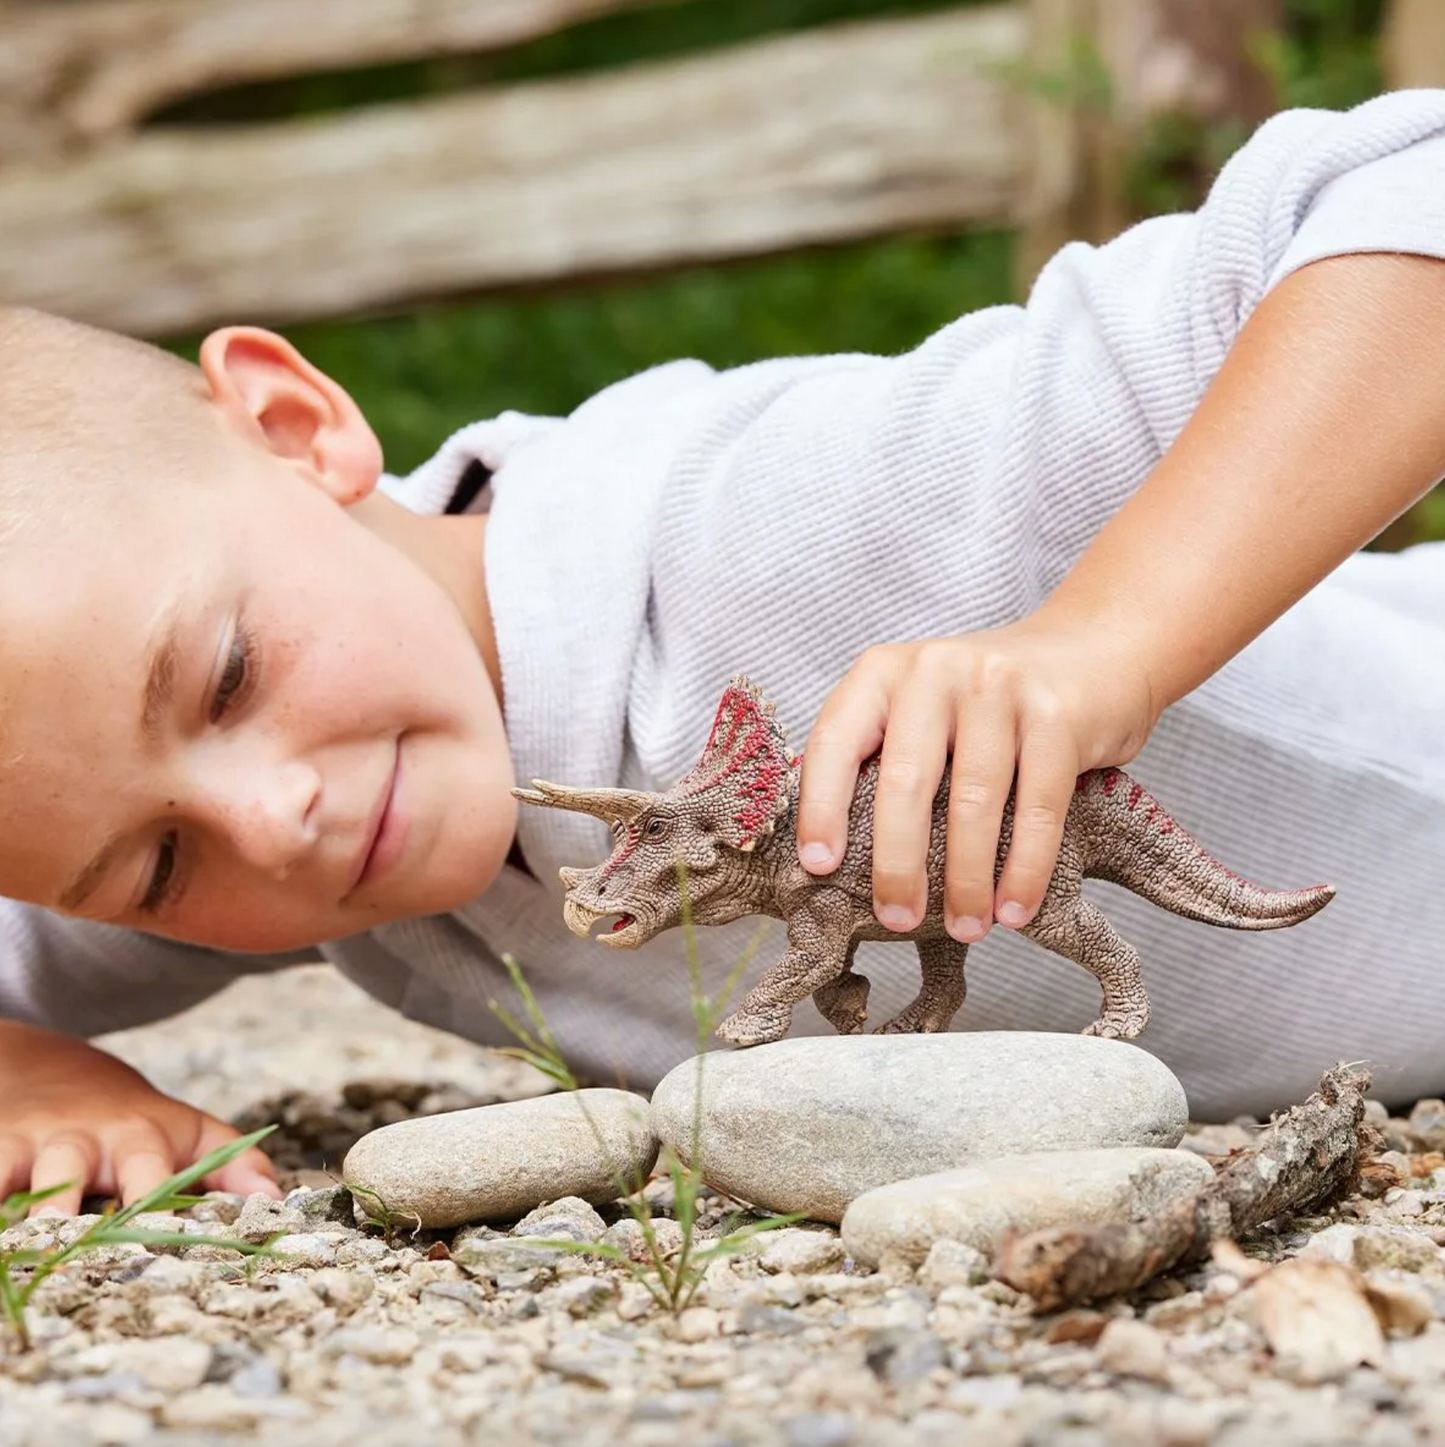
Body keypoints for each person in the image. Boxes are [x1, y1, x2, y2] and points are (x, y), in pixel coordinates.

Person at [3, 89, 1445, 1217]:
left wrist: (1108, 633)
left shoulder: (777, 517)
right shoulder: (168, 788)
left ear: (294, 426)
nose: (271, 821)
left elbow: (1403, 186)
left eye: (228, 677)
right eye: (156, 870)